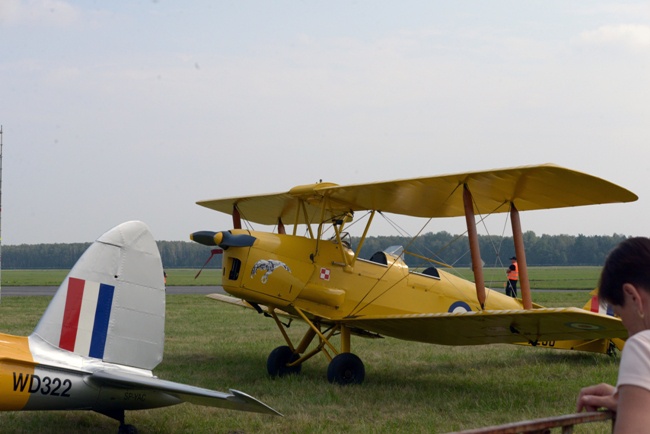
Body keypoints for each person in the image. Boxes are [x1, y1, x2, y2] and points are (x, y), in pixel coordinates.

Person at [576, 237, 650, 433]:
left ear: (633, 297)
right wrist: (636, 398)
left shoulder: (641, 346)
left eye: (619, 313)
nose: (624, 324)